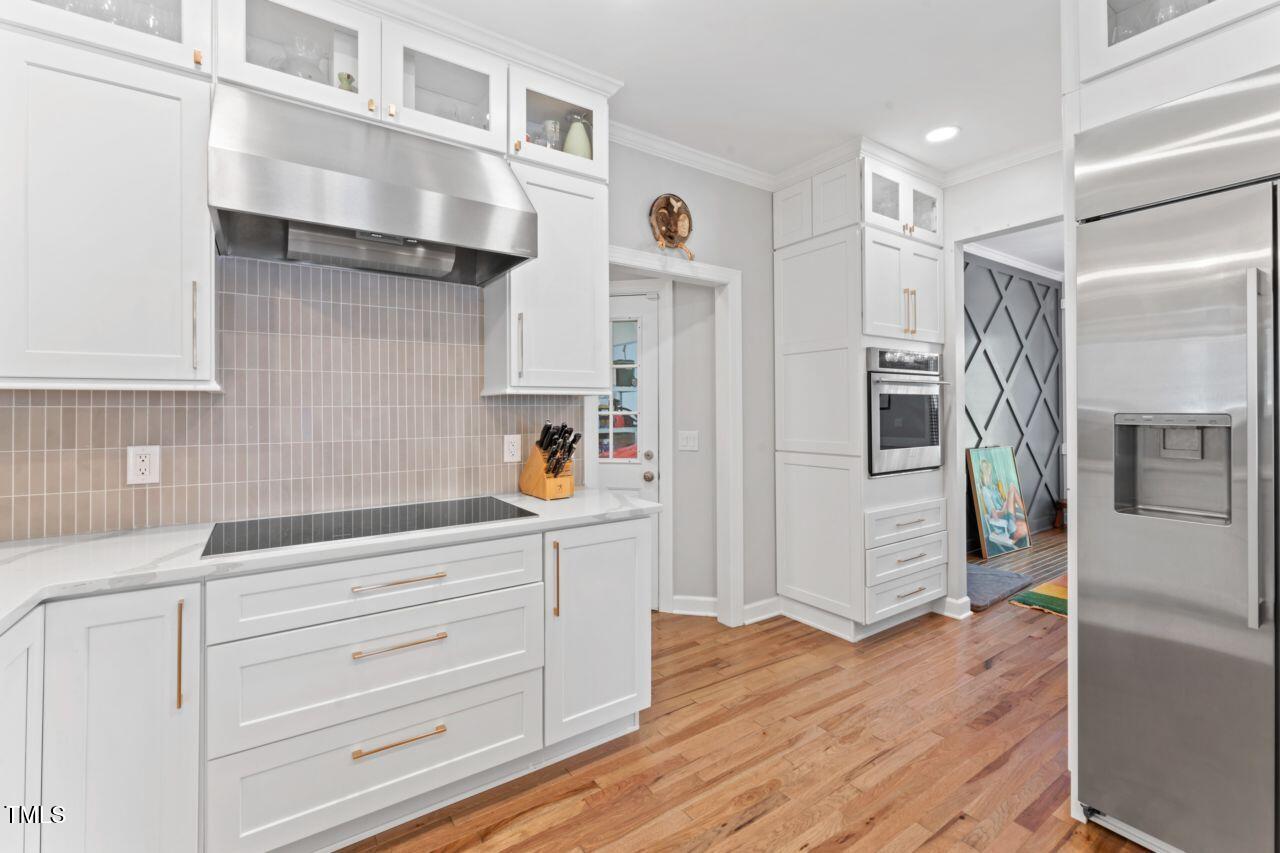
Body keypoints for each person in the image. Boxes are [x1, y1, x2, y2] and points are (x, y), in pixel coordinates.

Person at [977, 456, 1028, 550]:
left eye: (990, 472)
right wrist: (1004, 509)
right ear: (984, 475)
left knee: (1012, 487)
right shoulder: (985, 491)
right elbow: (994, 515)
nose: (991, 474)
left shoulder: (994, 487)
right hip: (1002, 521)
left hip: (1006, 516)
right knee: (1012, 487)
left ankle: (1025, 513)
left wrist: (1005, 505)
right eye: (988, 473)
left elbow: (1003, 505)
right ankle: (1026, 513)